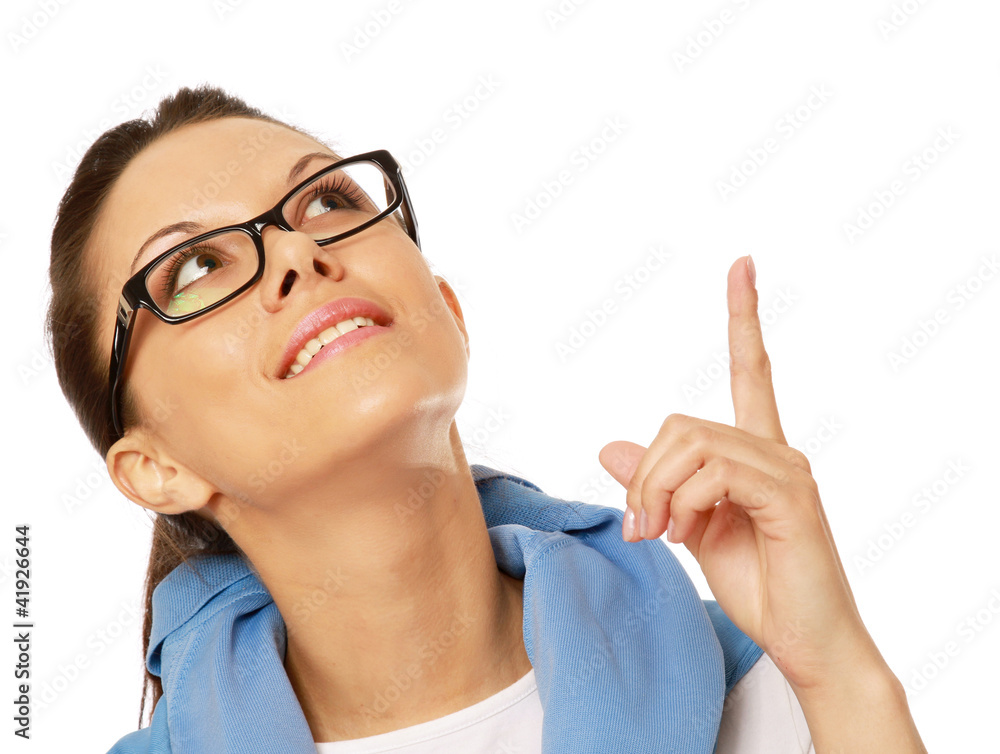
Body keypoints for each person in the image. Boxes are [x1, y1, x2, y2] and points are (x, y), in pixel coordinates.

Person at [46, 85, 926, 753]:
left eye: (327, 201)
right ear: (155, 469)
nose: (296, 251)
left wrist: (838, 671)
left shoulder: (763, 686)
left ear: (447, 310)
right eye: (196, 267)